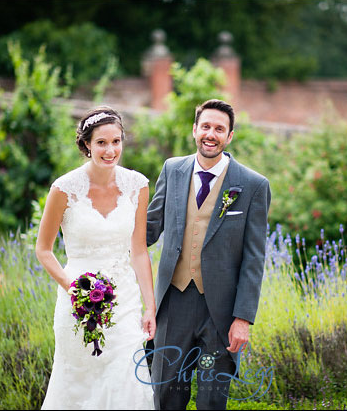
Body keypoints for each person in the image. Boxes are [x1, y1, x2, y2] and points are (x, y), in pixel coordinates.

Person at [146, 99, 271, 410]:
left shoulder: (253, 185)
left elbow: (254, 259)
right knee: (165, 397)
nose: (211, 134)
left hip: (222, 312)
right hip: (172, 304)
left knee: (212, 400)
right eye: (206, 127)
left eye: (219, 129)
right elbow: (149, 229)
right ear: (194, 130)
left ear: (229, 136)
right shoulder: (172, 170)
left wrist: (242, 319)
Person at [36, 107, 156, 409]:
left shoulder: (137, 185)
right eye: (101, 142)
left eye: (116, 141)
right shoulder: (64, 189)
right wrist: (73, 288)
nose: (110, 150)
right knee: (77, 384)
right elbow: (44, 250)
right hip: (77, 299)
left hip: (125, 303)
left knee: (126, 380)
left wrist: (150, 307)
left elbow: (139, 251)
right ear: (87, 144)